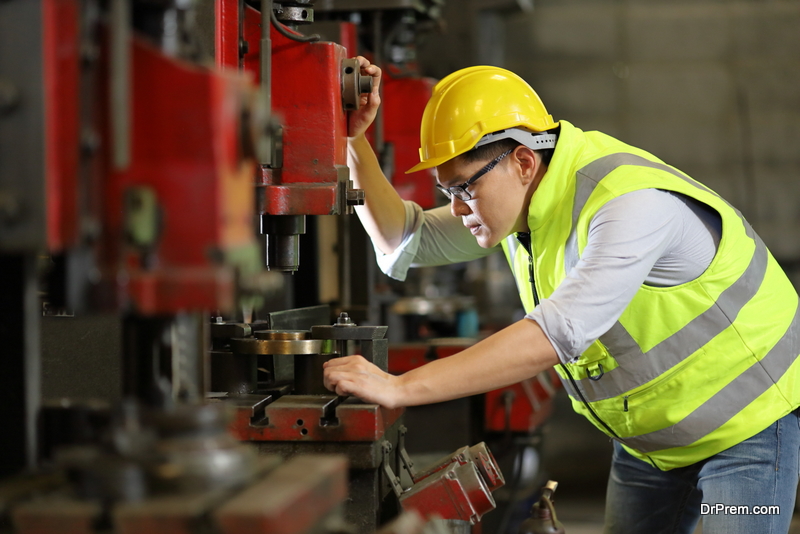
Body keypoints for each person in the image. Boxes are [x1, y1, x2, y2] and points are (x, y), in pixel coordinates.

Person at [323, 57, 800, 534]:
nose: (457, 207)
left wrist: (399, 387)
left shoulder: (627, 204)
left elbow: (554, 335)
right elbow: (404, 239)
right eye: (445, 190)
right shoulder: (520, 203)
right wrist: (353, 140)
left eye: (464, 187)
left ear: (523, 162)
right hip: (649, 448)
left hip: (745, 433)